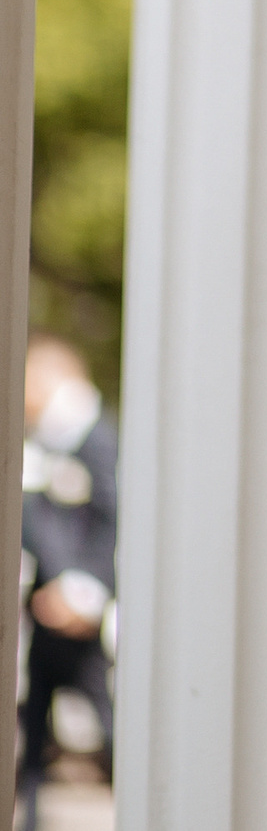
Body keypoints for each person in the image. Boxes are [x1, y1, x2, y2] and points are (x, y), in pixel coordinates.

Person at [19, 334, 116, 812]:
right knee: (33, 732)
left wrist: (81, 593)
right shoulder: (44, 443)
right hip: (46, 609)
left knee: (108, 720)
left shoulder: (97, 439)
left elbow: (113, 517)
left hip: (79, 612)